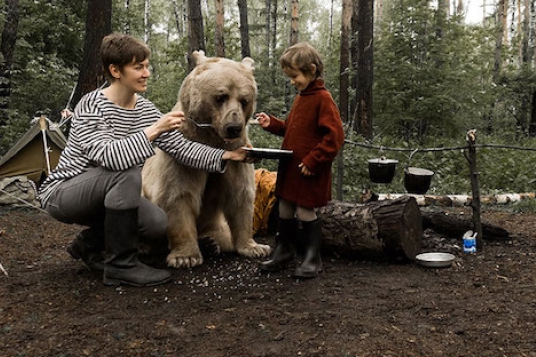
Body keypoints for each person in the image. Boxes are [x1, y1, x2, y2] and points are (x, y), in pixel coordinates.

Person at [37, 33, 251, 287]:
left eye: (147, 66)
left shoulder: (146, 109)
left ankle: (90, 244)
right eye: (138, 67)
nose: (146, 73)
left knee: (158, 222)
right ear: (115, 71)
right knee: (126, 173)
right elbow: (109, 157)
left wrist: (226, 155)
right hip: (66, 193)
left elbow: (181, 148)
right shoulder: (91, 105)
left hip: (112, 194)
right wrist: (155, 130)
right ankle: (121, 266)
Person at [254, 42, 345, 279]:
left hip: (309, 171)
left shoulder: (323, 99)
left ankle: (312, 258)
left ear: (312, 70)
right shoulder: (302, 98)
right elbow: (293, 130)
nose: (293, 82)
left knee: (305, 211)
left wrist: (314, 160)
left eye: (295, 76)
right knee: (284, 206)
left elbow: (335, 137)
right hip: (291, 169)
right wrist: (272, 124)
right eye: (290, 77)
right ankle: (284, 250)